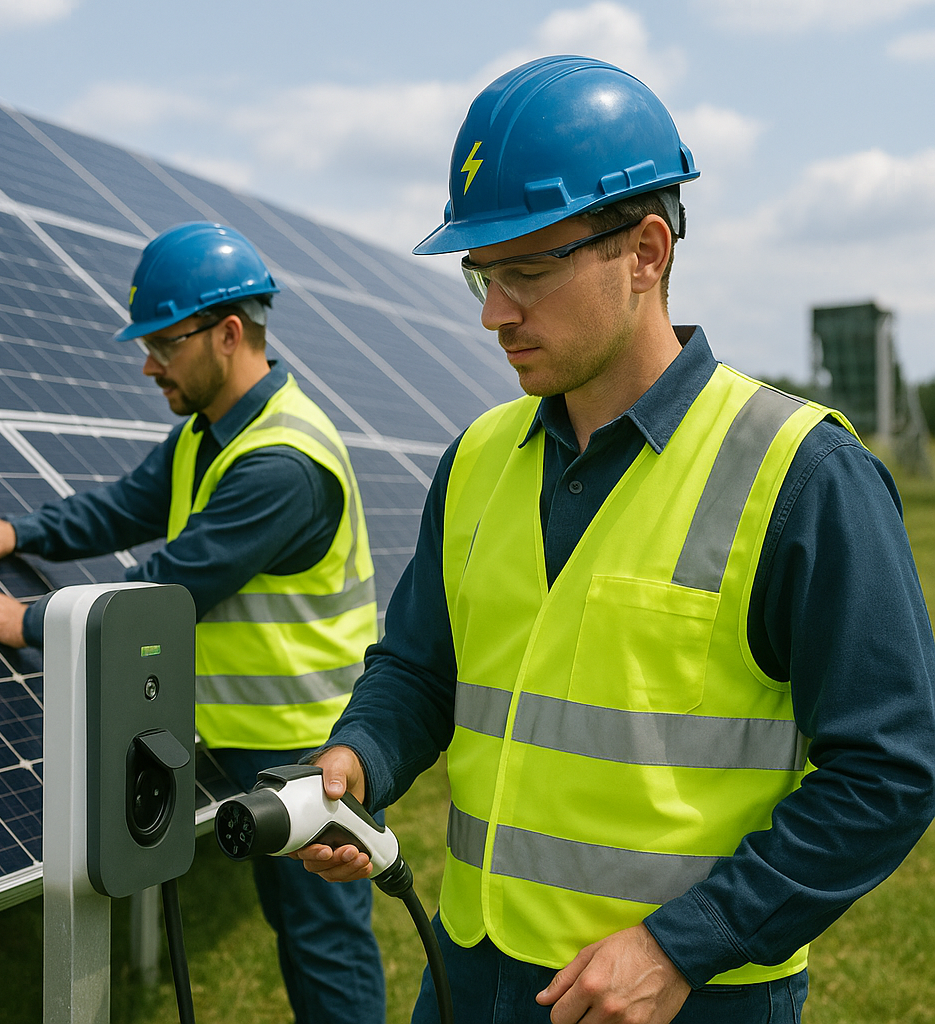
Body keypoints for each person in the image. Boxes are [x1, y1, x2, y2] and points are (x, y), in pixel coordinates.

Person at [292, 56, 935, 1024]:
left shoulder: (803, 474)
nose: (491, 312)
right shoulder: (478, 455)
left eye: (525, 270)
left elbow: (889, 767)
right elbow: (421, 667)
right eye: (481, 272)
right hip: (470, 969)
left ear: (644, 251)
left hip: (682, 996)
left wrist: (687, 942)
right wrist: (360, 758)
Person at [0, 221, 387, 1024]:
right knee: (302, 932)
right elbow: (126, 506)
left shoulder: (281, 465)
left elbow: (169, 588)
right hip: (246, 730)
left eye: (163, 344)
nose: (148, 364)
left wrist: (28, 620)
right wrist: (20, 532)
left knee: (322, 941)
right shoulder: (207, 436)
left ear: (228, 333)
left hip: (309, 747)